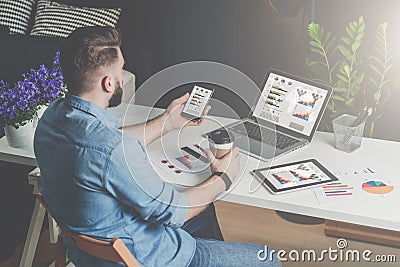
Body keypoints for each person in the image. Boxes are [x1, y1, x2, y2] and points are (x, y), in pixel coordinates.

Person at [34, 26, 280, 267]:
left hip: (88, 253)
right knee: (267, 258)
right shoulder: (112, 149)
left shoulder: (53, 118)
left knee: (204, 212)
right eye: (121, 70)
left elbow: (103, 145)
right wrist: (223, 177)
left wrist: (167, 122)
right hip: (145, 255)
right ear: (109, 83)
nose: (123, 74)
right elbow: (172, 212)